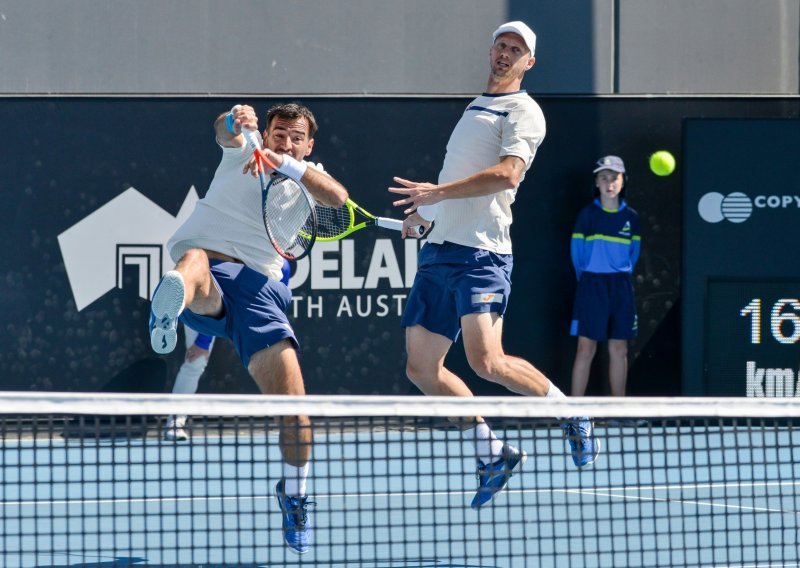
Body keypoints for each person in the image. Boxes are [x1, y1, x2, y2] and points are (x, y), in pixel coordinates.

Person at [388, 21, 601, 510]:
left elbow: (507, 175)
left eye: (517, 50)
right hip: (439, 251)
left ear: (530, 63)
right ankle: (492, 452)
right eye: (502, 46)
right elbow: (456, 181)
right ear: (492, 51)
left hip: (482, 255)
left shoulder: (524, 112)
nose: (506, 54)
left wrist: (437, 193)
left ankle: (571, 413)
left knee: (487, 362)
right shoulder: (474, 108)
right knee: (422, 369)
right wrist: (427, 214)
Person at [148, 102, 348, 554]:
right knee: (194, 259)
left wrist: (290, 166)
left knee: (297, 414)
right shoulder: (244, 151)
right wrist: (234, 120)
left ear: (308, 144)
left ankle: (294, 496)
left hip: (259, 293)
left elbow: (337, 195)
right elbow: (222, 130)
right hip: (209, 277)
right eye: (280, 133)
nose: (286, 141)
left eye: (297, 136)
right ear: (268, 132)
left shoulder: (307, 176)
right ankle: (170, 302)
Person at [163, 259, 291, 442]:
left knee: (274, 360)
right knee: (195, 362)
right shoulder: (241, 250)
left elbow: (276, 306)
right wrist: (203, 341)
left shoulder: (283, 267)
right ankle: (175, 421)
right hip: (211, 299)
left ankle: (286, 423)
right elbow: (210, 285)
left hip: (245, 311)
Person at [569, 155, 641, 397]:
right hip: (592, 285)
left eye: (614, 178)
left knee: (619, 349)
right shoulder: (587, 216)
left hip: (621, 287)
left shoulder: (631, 218)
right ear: (597, 183)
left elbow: (633, 254)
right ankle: (575, 415)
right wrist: (592, 278)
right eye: (604, 178)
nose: (609, 183)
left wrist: (616, 274)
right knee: (585, 348)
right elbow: (577, 256)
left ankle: (618, 411)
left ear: (623, 182)